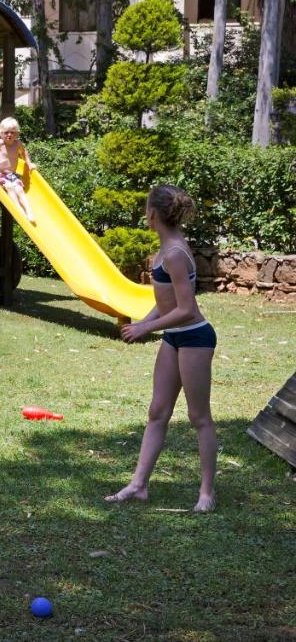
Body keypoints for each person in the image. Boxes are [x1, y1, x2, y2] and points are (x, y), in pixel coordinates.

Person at [108, 185, 217, 513]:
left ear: (152, 213)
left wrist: (145, 328)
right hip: (174, 337)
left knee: (199, 416)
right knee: (158, 411)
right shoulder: (167, 248)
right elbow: (166, 300)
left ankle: (207, 493)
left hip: (194, 338)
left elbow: (186, 309)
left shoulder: (174, 254)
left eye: (146, 208)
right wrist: (145, 320)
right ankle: (138, 485)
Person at [0, 116, 37, 223]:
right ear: (0, 133)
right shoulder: (0, 143)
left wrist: (29, 164)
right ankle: (20, 211)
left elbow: (24, 153)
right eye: (6, 132)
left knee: (19, 190)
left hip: (13, 175)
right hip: (0, 174)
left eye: (12, 132)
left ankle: (29, 212)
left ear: (17, 134)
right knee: (10, 187)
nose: (9, 135)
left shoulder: (18, 144)